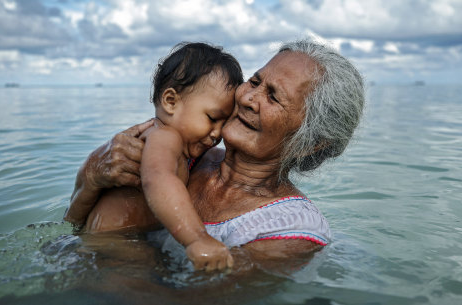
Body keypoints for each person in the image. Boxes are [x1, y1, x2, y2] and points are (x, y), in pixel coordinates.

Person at [64, 39, 365, 272]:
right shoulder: (188, 154)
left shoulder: (291, 232)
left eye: (273, 96)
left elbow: (196, 298)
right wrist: (91, 177)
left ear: (310, 143)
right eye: (255, 81)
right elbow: (72, 228)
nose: (248, 98)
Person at [78, 42, 243, 271]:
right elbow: (158, 178)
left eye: (224, 123)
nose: (218, 133)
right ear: (170, 101)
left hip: (110, 243)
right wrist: (197, 238)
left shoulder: (173, 143)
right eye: (212, 118)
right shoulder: (165, 136)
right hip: (113, 246)